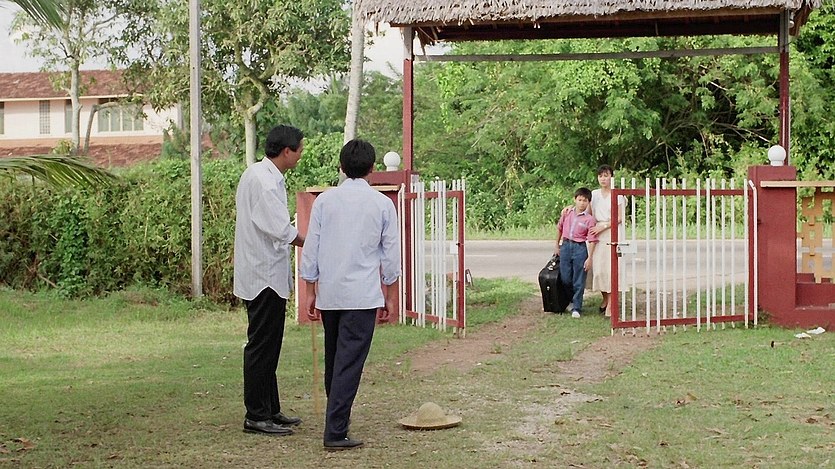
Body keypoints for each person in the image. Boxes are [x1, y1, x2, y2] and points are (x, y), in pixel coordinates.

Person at [300, 139, 401, 451]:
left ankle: (336, 420)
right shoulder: (382, 204)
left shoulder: (324, 202)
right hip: (363, 295)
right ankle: (335, 430)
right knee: (349, 364)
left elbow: (312, 248)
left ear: (341, 167)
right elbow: (391, 255)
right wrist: (391, 294)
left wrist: (310, 290)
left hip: (331, 293)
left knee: (335, 360)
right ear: (372, 169)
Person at [233, 125, 305, 436]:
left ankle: (270, 408)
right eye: (299, 149)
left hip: (267, 272)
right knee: (261, 345)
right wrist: (313, 243)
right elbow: (281, 229)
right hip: (262, 275)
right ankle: (256, 415)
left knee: (270, 344)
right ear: (286, 151)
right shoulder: (263, 181)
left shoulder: (266, 176)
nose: (301, 155)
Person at [588, 165, 627, 316]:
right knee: (598, 269)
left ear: (611, 176)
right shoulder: (594, 194)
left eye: (606, 175)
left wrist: (603, 226)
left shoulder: (618, 195)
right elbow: (587, 212)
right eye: (600, 176)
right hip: (596, 233)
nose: (603, 179)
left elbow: (619, 218)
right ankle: (605, 298)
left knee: (611, 268)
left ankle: (611, 304)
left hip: (612, 231)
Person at [555, 187, 598, 318]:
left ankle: (577, 307)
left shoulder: (589, 219)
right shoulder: (567, 213)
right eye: (579, 200)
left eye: (585, 201)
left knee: (579, 279)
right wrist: (556, 245)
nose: (582, 203)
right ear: (575, 200)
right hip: (566, 246)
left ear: (588, 202)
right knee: (565, 278)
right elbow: (559, 228)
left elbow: (592, 239)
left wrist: (590, 258)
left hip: (580, 248)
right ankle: (570, 300)